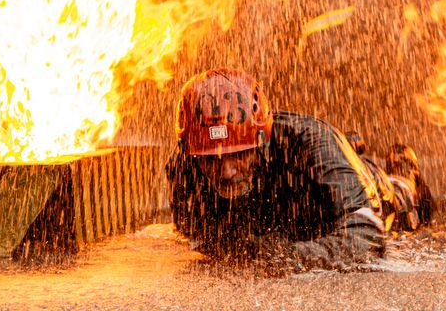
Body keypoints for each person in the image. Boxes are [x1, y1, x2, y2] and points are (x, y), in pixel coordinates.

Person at [166, 68, 432, 270]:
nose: (226, 172)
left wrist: (285, 257)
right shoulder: (185, 162)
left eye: (238, 155)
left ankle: (403, 170)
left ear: (262, 141)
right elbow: (200, 240)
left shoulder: (311, 141)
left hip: (355, 198)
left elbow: (367, 237)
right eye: (211, 159)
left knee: (402, 200)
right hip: (291, 218)